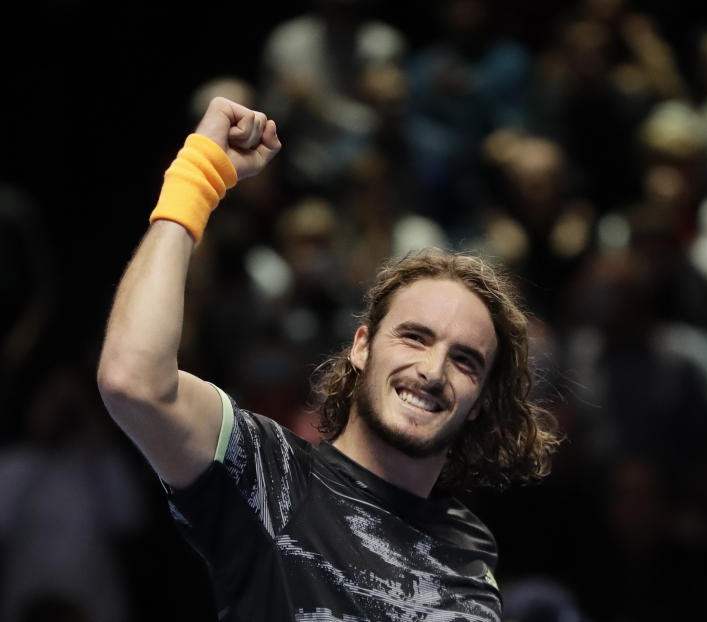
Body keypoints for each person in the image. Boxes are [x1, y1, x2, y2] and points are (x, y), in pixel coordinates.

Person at [96, 96, 559, 621]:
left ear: (479, 401)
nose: (433, 371)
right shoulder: (273, 476)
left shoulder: (471, 551)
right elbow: (133, 379)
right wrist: (196, 176)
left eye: (465, 361)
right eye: (414, 337)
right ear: (362, 346)